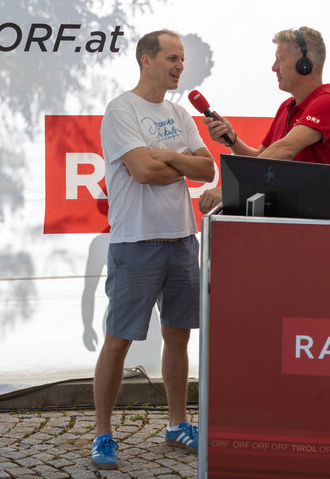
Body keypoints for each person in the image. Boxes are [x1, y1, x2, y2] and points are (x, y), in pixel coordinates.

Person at [92, 29, 215, 470]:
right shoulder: (121, 109)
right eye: (172, 58)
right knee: (118, 342)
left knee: (179, 337)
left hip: (182, 240)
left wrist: (168, 157)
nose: (180, 66)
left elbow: (207, 169)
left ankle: (177, 424)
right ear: (146, 60)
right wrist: (178, 163)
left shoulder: (180, 113)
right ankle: (103, 433)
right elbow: (143, 172)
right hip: (136, 242)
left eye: (182, 59)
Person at [198, 27, 330, 218]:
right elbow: (263, 159)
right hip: (284, 223)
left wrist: (230, 190)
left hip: (316, 226)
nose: (274, 67)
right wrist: (232, 140)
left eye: (280, 60)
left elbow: (286, 148)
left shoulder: (329, 101)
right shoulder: (286, 107)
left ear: (305, 64)